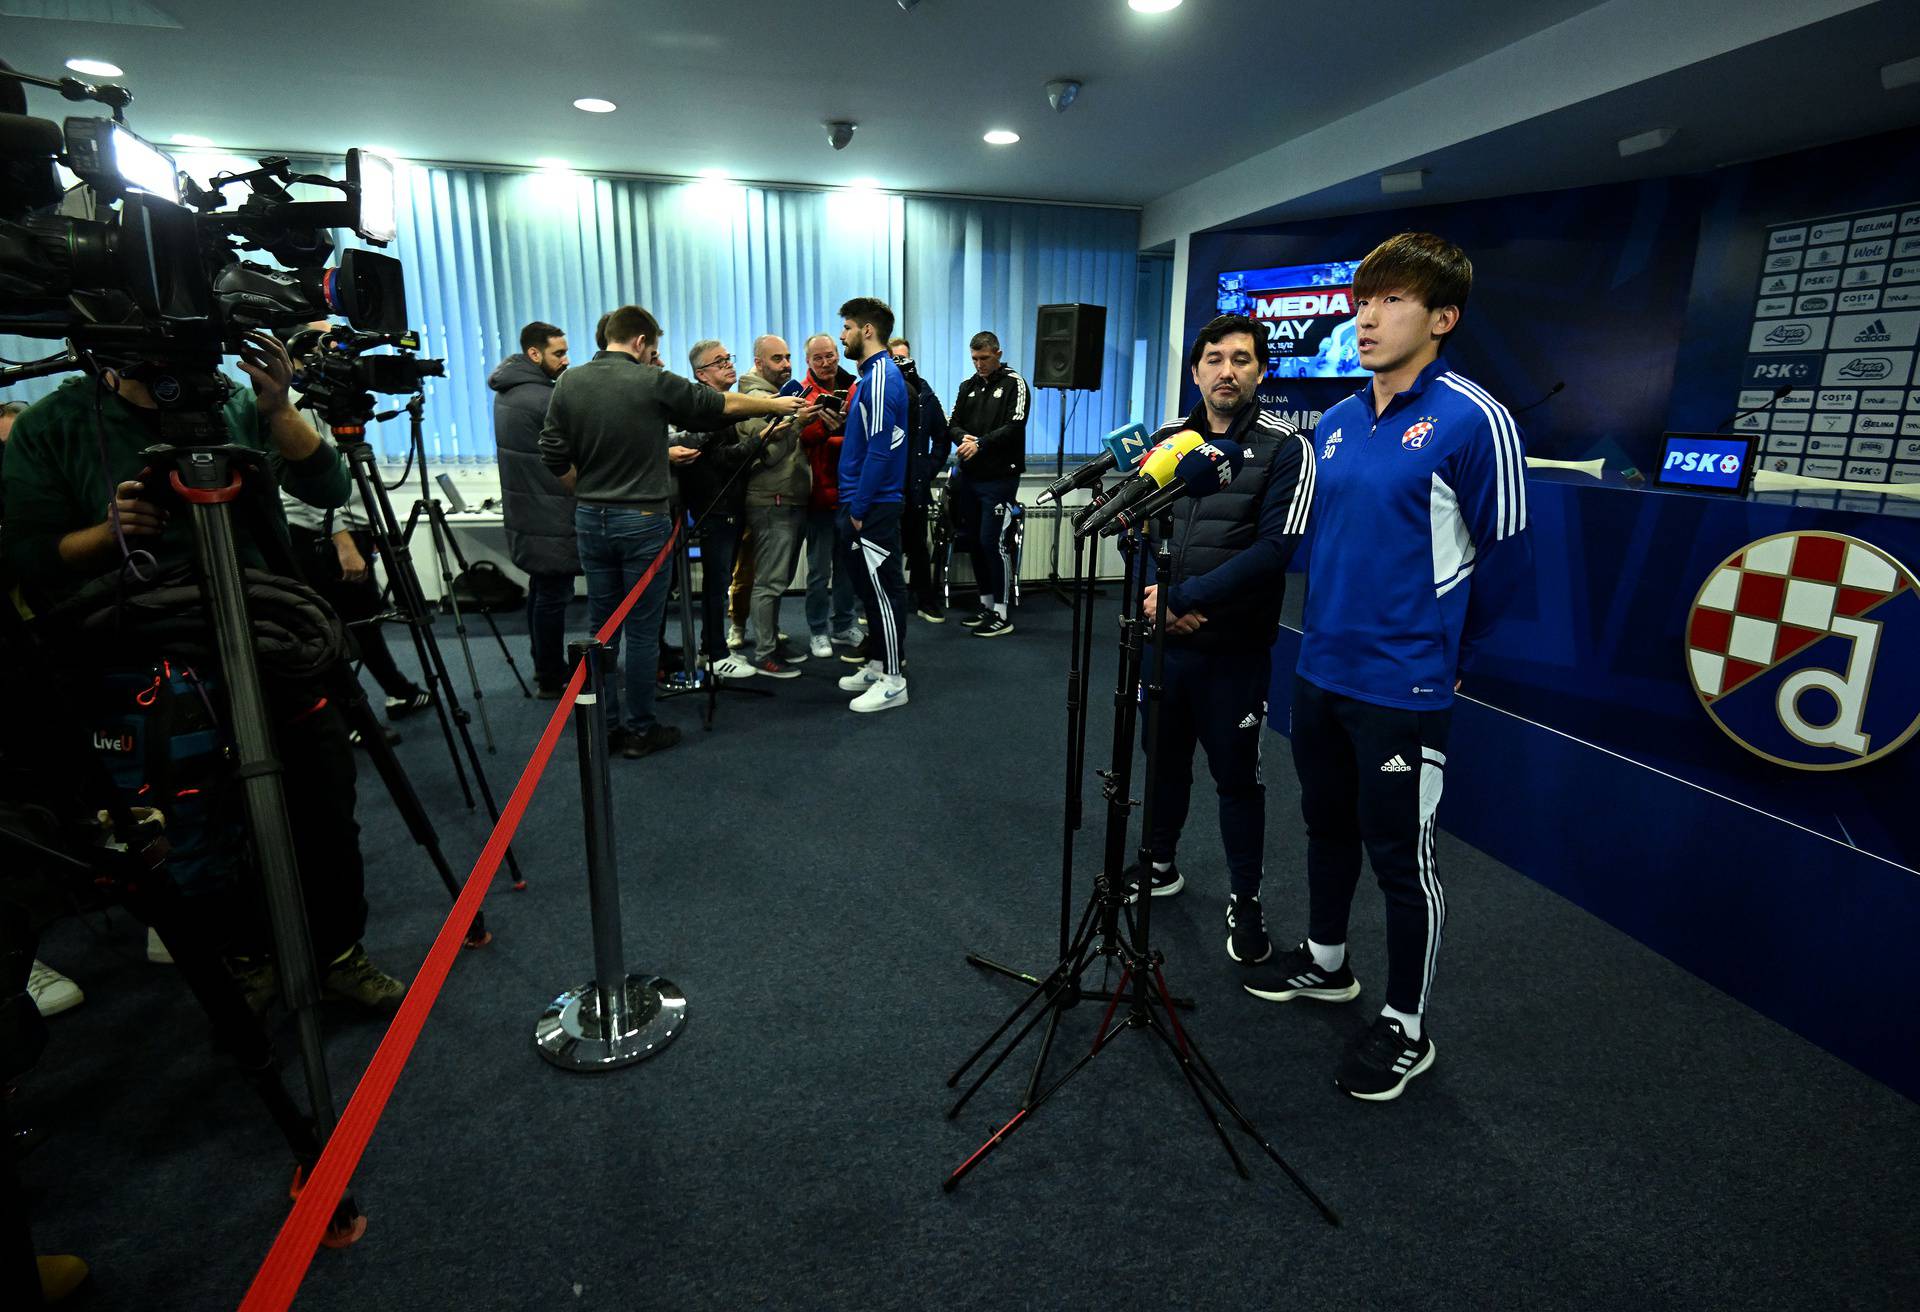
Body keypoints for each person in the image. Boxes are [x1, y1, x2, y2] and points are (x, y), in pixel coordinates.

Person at [1, 335, 407, 1012]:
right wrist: (109, 535)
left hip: (270, 639)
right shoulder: (55, 426)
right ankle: (245, 959)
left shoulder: (237, 407)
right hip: (153, 661)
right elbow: (30, 557)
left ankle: (337, 952)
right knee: (210, 822)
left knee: (324, 805)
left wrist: (278, 409)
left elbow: (328, 486)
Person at [1245, 232, 1532, 1103]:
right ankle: (1329, 962)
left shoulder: (1473, 419)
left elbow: (1508, 564)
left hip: (1404, 688)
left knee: (1403, 862)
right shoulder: (1332, 423)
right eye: (1363, 300)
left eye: (1394, 301)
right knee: (1325, 828)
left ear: (1442, 318)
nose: (1367, 316)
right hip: (1321, 671)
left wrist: (1442, 663)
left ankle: (1407, 1023)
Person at [1131, 316, 1315, 968]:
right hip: (1164, 643)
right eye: (1214, 358)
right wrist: (1156, 607)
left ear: (1260, 371)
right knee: (1163, 762)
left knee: (1237, 780)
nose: (1226, 370)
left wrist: (1186, 600)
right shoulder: (1166, 441)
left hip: (1233, 651)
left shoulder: (1285, 447)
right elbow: (1135, 533)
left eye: (1241, 359)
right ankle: (1160, 863)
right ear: (1196, 371)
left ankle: (1246, 899)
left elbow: (1276, 549)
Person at [539, 305, 801, 757]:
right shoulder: (650, 381)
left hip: (590, 517)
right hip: (641, 518)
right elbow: (717, 405)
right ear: (640, 342)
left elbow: (552, 454)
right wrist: (777, 404)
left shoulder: (569, 381)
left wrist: (585, 491)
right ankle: (640, 729)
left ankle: (606, 726)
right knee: (642, 630)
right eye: (653, 349)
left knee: (603, 628)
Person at [491, 320, 579, 698]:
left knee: (541, 590)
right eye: (558, 353)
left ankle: (545, 667)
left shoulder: (510, 391)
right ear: (534, 353)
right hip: (550, 511)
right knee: (553, 596)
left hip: (531, 510)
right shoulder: (543, 398)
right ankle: (551, 676)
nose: (565, 360)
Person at [832, 298, 911, 713]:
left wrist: (860, 508)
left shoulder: (882, 375)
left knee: (884, 592)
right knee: (868, 590)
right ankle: (879, 664)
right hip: (859, 500)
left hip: (873, 504)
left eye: (846, 327)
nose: (841, 335)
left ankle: (895, 680)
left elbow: (882, 450)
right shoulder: (866, 378)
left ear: (866, 330)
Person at [676, 339, 769, 681]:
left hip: (727, 503)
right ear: (702, 374)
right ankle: (713, 652)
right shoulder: (704, 411)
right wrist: (766, 437)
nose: (730, 364)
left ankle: (713, 648)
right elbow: (720, 459)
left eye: (729, 358)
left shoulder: (722, 406)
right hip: (715, 506)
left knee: (722, 581)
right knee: (716, 586)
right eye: (719, 362)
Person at [736, 335, 817, 678]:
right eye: (777, 359)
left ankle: (771, 640)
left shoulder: (779, 398)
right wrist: (798, 423)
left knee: (778, 580)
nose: (786, 364)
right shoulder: (756, 401)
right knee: (769, 582)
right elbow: (767, 454)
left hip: (788, 497)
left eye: (787, 357)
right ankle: (765, 653)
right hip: (772, 500)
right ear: (759, 363)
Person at [946, 330, 1029, 637]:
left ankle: (1002, 614)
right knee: (974, 543)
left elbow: (1016, 425)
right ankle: (986, 604)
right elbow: (952, 422)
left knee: (993, 543)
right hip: (970, 476)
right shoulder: (967, 386)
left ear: (998, 353)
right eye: (974, 359)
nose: (979, 364)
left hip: (1000, 478)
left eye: (984, 358)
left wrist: (980, 443)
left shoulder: (1014, 383)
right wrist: (961, 438)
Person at [796, 333, 860, 658]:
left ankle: (844, 624)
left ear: (838, 354)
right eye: (818, 358)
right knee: (819, 571)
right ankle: (818, 630)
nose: (825, 363)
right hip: (818, 498)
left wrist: (839, 435)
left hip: (849, 496)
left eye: (830, 355)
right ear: (808, 361)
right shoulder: (801, 395)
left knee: (847, 566)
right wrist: (836, 435)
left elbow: (862, 438)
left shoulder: (853, 387)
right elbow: (803, 439)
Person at [887, 337, 951, 623]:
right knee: (885, 549)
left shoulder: (925, 394)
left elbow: (942, 438)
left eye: (905, 358)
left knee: (917, 547)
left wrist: (927, 471)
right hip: (887, 486)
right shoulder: (881, 391)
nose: (902, 364)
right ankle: (881, 603)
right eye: (896, 359)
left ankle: (925, 601)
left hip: (915, 487)